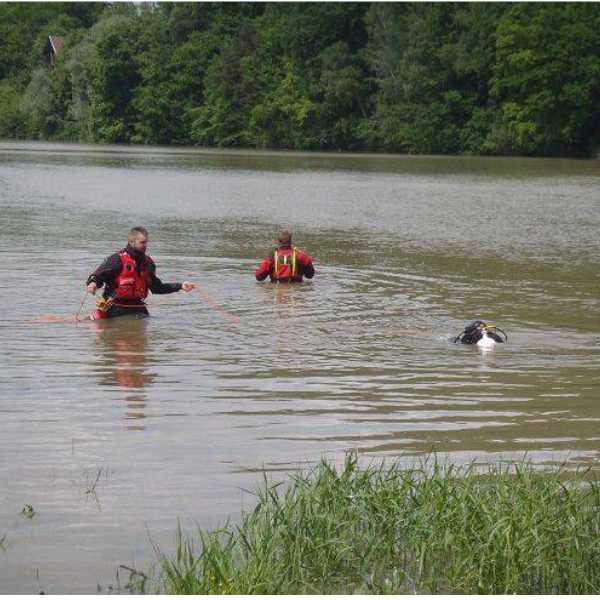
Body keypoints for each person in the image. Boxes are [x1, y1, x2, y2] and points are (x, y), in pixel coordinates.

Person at [85, 226, 195, 320]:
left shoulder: (148, 263)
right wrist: (93, 284)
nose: (145, 245)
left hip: (138, 308)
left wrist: (180, 286)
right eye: (142, 242)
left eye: (146, 242)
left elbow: (157, 288)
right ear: (131, 242)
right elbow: (97, 276)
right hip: (114, 307)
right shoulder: (116, 259)